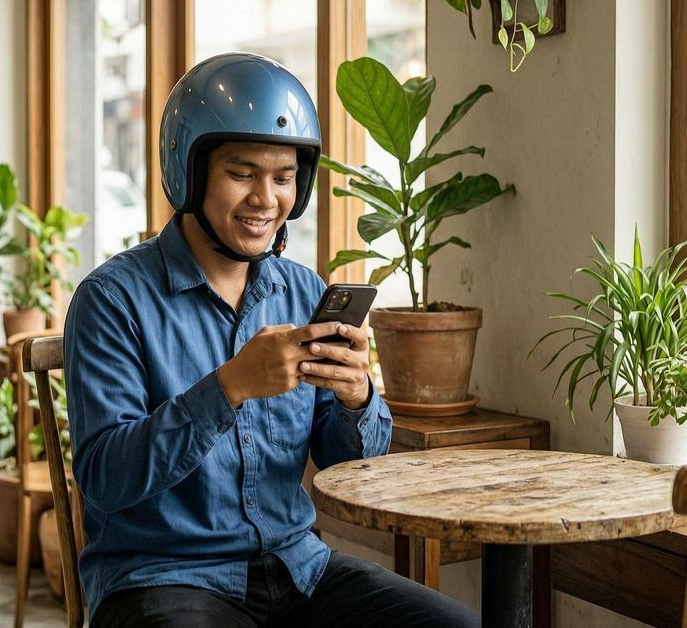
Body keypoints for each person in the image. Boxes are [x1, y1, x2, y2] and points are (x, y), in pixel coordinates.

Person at [63, 52, 479, 627]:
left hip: (298, 568)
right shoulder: (111, 300)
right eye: (241, 174)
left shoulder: (303, 291)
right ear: (190, 170)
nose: (266, 199)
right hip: (163, 576)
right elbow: (106, 478)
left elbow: (350, 467)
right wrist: (229, 386)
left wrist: (358, 399)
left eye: (284, 178)